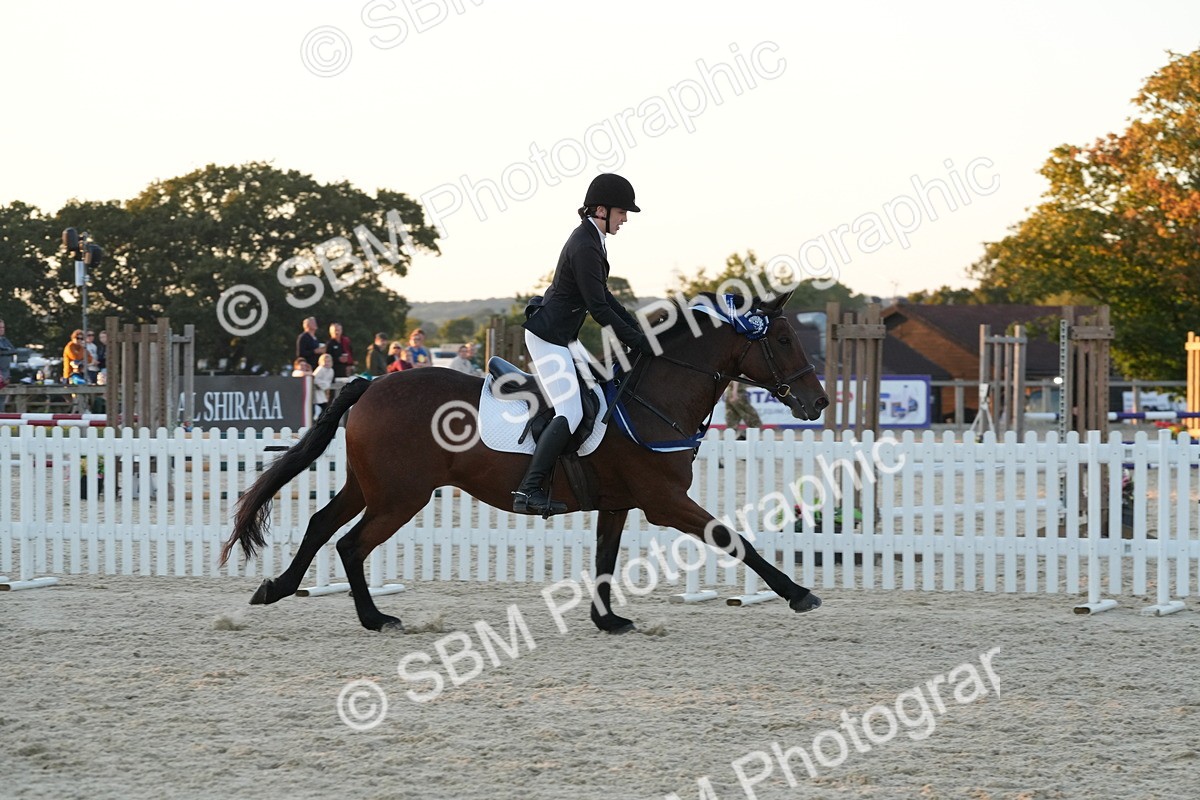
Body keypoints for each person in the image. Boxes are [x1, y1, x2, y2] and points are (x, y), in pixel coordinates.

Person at [514, 173, 654, 515]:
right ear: (602, 210)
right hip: (548, 337)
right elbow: (598, 307)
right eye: (622, 213)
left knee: (599, 394)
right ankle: (528, 490)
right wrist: (635, 340)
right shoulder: (584, 244)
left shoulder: (594, 240)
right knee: (571, 410)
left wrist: (637, 329)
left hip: (565, 337)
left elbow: (604, 296)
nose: (624, 220)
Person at [0, 319, 16, 411]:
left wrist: (4, 351)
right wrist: (6, 351)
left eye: (3, 327)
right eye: (0, 328)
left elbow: (13, 350)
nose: (2, 329)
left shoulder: (5, 340)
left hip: (5, 373)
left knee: (2, 398)